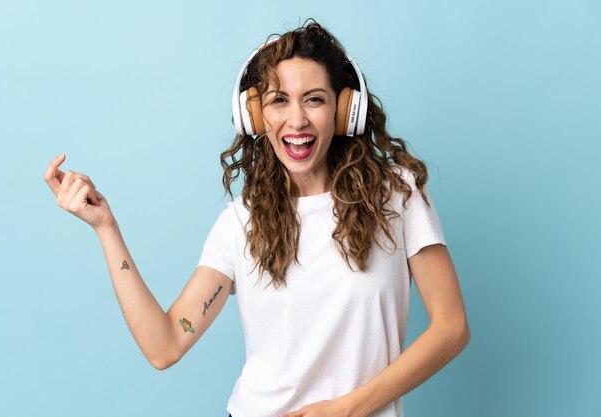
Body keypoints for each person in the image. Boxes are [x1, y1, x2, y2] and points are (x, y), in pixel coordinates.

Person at [43, 19, 470, 417]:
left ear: (343, 111)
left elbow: (451, 328)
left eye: (314, 100)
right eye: (278, 100)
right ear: (254, 116)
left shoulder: (396, 194)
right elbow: (166, 344)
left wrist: (347, 409)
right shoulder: (240, 223)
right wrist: (106, 228)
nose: (297, 119)